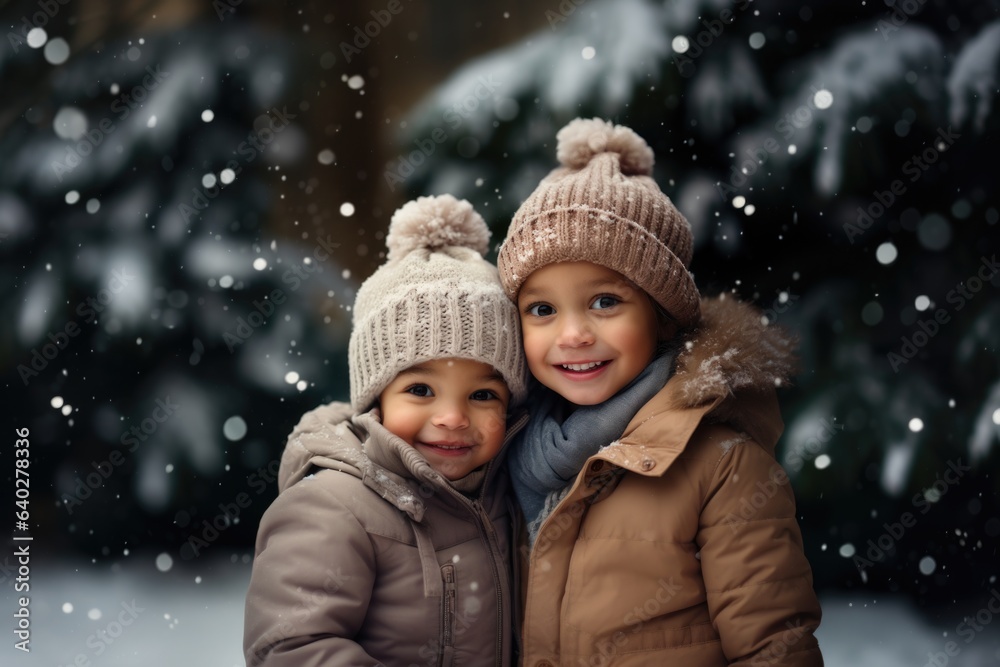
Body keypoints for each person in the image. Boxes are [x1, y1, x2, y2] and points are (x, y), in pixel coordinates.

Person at [496, 118, 824, 666]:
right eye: (543, 309)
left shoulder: (721, 465)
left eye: (605, 301)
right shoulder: (510, 452)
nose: (573, 334)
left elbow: (773, 643)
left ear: (665, 318)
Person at [244, 194, 529, 667]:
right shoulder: (333, 506)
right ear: (375, 400)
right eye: (421, 389)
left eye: (483, 395)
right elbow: (290, 647)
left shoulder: (506, 495)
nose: (453, 417)